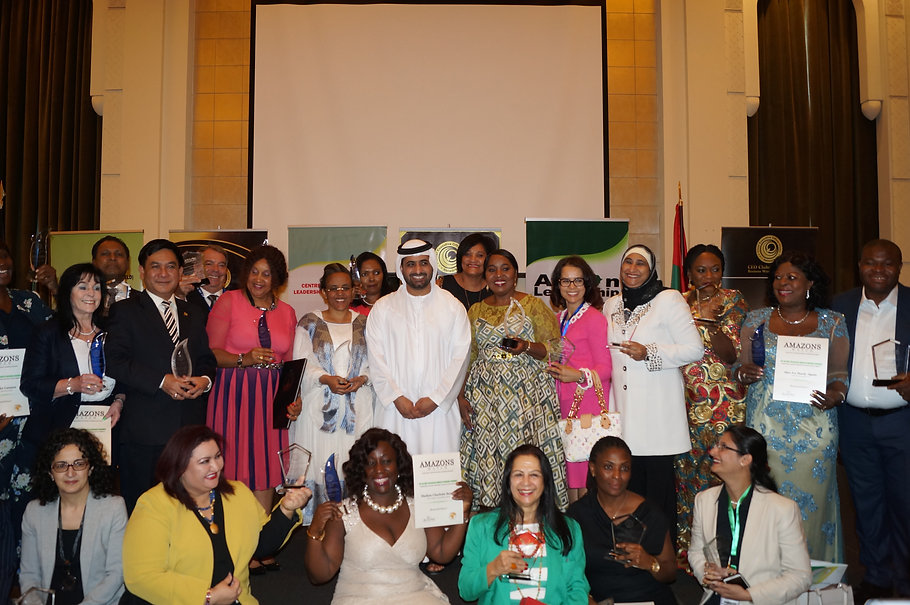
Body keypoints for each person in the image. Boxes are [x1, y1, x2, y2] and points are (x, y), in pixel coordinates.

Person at [736, 250, 848, 562]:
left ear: (810, 283)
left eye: (791, 277)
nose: (782, 283)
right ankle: (766, 574)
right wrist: (743, 373)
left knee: (813, 506)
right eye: (777, 278)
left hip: (815, 429)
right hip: (765, 429)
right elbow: (740, 367)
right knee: (766, 504)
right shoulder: (755, 320)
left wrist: (836, 394)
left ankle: (815, 573)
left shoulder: (832, 322)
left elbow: (840, 376)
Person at [122, 425, 311, 605]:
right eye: (204, 461)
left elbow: (261, 545)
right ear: (180, 467)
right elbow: (141, 577)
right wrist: (207, 597)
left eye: (218, 456)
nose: (216, 466)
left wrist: (286, 509)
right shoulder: (154, 505)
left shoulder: (238, 494)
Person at [105, 239, 217, 512]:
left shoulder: (194, 312)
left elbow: (206, 360)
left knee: (190, 508)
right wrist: (162, 381)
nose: (163, 273)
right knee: (145, 511)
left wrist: (204, 381)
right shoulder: (125, 311)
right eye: (155, 267)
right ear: (142, 271)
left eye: (170, 267)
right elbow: (116, 362)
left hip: (189, 430)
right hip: (145, 433)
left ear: (179, 271)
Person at [303, 428, 471, 604]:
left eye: (386, 461)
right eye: (371, 463)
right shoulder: (344, 513)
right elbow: (320, 576)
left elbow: (442, 553)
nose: (379, 470)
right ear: (362, 470)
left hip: (416, 596)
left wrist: (463, 513)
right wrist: (314, 532)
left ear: (399, 465)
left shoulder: (418, 505)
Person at [604, 244, 702, 539]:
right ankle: (630, 554)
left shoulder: (668, 299)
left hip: (657, 417)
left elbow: (694, 349)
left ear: (651, 270)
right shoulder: (611, 305)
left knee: (657, 498)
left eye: (640, 264)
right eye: (628, 262)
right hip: (624, 414)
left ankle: (661, 555)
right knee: (628, 492)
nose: (632, 268)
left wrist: (649, 352)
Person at [831, 239, 910, 599]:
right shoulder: (840, 305)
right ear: (859, 266)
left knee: (904, 504)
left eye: (887, 263)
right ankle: (877, 577)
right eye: (871, 263)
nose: (879, 270)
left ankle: (905, 582)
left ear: (899, 267)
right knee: (866, 505)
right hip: (854, 424)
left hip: (902, 423)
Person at [460, 249, 568, 510]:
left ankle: (529, 515)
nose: (499, 275)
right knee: (488, 455)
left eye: (505, 268)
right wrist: (461, 396)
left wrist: (526, 347)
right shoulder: (475, 310)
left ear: (516, 273)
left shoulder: (533, 305)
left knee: (523, 455)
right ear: (485, 275)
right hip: (484, 397)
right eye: (492, 269)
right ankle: (492, 517)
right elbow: (467, 358)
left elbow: (556, 349)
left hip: (526, 396)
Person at [17, 264, 124, 501]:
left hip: (104, 427)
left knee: (99, 498)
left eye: (97, 287)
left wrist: (119, 400)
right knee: (59, 502)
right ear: (67, 292)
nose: (91, 293)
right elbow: (30, 384)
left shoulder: (113, 331)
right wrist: (72, 385)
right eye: (83, 287)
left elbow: (125, 375)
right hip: (59, 427)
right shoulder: (48, 332)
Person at [205, 245, 297, 519]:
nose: (259, 279)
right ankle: (232, 534)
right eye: (254, 272)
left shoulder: (287, 312)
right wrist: (244, 358)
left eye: (267, 274)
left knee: (266, 466)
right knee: (232, 463)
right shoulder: (229, 301)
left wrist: (294, 398)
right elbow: (209, 354)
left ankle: (261, 536)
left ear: (277, 279)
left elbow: (290, 364)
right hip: (233, 396)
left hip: (272, 398)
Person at [675, 244, 749, 563]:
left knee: (724, 475)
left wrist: (711, 323)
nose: (708, 276)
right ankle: (690, 552)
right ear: (689, 274)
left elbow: (731, 354)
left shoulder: (733, 300)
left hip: (725, 405)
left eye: (715, 269)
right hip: (685, 403)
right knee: (689, 476)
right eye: (701, 270)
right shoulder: (678, 302)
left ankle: (729, 553)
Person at [366, 239, 471, 456]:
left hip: (439, 412)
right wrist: (396, 397)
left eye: (423, 263)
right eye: (410, 264)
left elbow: (460, 358)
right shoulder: (383, 308)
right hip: (394, 410)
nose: (418, 270)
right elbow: (376, 358)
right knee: (395, 467)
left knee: (438, 472)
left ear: (432, 265)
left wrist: (436, 398)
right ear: (401, 268)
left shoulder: (453, 307)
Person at [689, 425, 811, 605]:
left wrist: (749, 595)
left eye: (723, 447)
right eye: (716, 445)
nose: (713, 451)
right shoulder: (704, 500)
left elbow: (800, 576)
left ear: (745, 459)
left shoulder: (782, 509)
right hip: (717, 597)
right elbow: (696, 552)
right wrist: (707, 574)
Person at [291, 263, 375, 524]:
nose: (340, 293)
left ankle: (354, 523)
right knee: (321, 460)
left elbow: (377, 364)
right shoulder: (309, 322)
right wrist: (325, 378)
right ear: (323, 292)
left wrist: (363, 378)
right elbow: (301, 363)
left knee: (352, 459)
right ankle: (318, 525)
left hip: (357, 407)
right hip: (319, 408)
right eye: (333, 288)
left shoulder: (366, 323)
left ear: (354, 290)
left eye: (345, 287)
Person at [459, 444, 588, 605]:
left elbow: (577, 590)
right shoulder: (481, 526)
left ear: (545, 481)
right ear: (508, 481)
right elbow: (466, 591)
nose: (526, 483)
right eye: (518, 474)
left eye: (534, 475)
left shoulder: (569, 529)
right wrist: (493, 568)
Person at [0, 240, 53, 602]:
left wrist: (54, 288)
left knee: (29, 506)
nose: (2, 262)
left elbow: (64, 336)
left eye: (4, 255)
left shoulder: (28, 301)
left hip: (33, 423)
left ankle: (27, 585)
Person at [19, 428, 126, 605]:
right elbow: (29, 575)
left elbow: (116, 573)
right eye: (61, 465)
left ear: (90, 468)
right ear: (50, 473)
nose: (70, 473)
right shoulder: (34, 512)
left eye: (79, 464)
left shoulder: (113, 508)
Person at [567, 436, 677, 605]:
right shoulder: (578, 515)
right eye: (608, 467)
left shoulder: (650, 513)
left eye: (624, 468)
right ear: (593, 469)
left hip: (648, 599)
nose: (617, 475)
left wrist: (650, 562)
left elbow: (670, 573)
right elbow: (567, 574)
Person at [545, 255, 611, 504]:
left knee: (584, 476)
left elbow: (606, 368)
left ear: (587, 284)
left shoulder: (594, 318)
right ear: (557, 285)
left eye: (578, 281)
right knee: (568, 475)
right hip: (563, 405)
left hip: (587, 406)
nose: (572, 287)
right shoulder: (558, 319)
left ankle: (585, 527)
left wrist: (579, 374)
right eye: (566, 281)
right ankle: (573, 526)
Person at [438, 233, 496, 312]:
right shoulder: (442, 285)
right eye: (467, 254)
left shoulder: (494, 288)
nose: (473, 260)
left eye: (480, 255)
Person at [182, 244, 232, 317]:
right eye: (209, 264)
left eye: (221, 265)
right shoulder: (184, 298)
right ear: (196, 267)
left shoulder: (236, 301)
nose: (215, 269)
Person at [92, 236, 137, 309]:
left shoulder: (144, 302)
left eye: (119, 254)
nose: (112, 258)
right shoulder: (82, 300)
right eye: (105, 253)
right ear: (94, 262)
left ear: (128, 263)